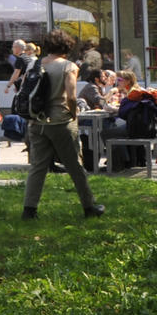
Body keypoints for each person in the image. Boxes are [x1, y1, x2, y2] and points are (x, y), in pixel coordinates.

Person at [21, 32, 106, 219]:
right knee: (75, 165)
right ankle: (89, 206)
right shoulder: (68, 66)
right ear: (67, 47)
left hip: (36, 121)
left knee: (38, 166)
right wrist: (74, 113)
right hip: (60, 121)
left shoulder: (35, 64)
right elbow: (72, 96)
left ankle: (29, 209)